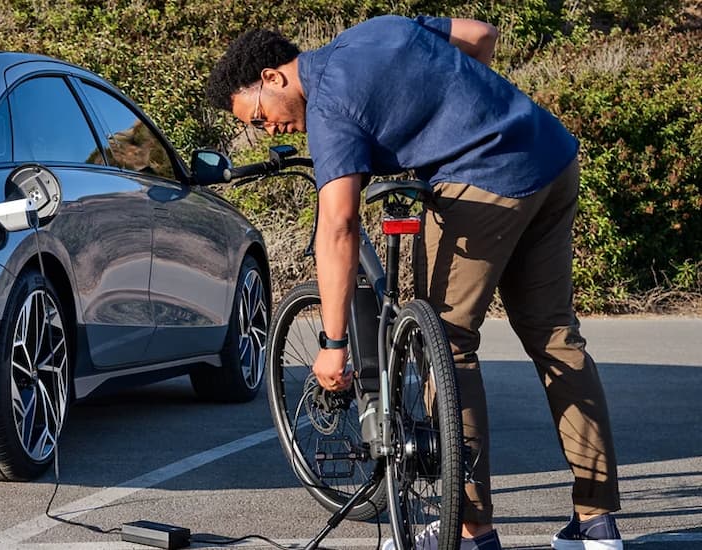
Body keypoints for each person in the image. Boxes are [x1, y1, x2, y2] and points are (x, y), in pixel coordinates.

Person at [203, 15, 622, 550]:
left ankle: (470, 531)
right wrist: (456, 110)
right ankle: (597, 523)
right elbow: (483, 36)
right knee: (556, 337)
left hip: (484, 181)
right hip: (549, 154)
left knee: (444, 344)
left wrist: (332, 346)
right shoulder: (380, 29)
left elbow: (339, 226)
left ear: (274, 76)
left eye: (259, 116)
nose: (269, 131)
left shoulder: (329, 105)